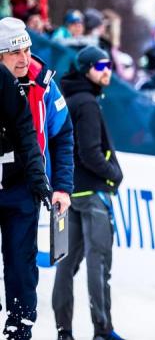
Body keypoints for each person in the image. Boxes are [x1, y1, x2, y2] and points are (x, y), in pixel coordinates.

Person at [53, 46, 124, 340]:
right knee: (99, 263)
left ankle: (63, 332)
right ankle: (102, 331)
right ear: (86, 69)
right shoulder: (88, 104)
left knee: (65, 265)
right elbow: (91, 153)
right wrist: (115, 175)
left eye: (109, 64)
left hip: (67, 193)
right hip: (92, 194)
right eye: (100, 65)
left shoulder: (66, 98)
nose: (107, 70)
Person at [0, 19, 53, 340]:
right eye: (13, 52)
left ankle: (20, 324)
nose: (23, 59)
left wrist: (40, 179)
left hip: (20, 189)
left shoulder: (41, 81)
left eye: (27, 50)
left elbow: (28, 133)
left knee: (21, 263)